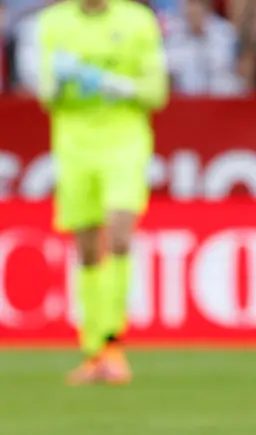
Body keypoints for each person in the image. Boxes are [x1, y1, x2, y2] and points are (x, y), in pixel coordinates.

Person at [34, 0, 169, 385]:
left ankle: (113, 340)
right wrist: (60, 81)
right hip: (75, 145)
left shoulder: (138, 20)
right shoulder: (53, 23)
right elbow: (46, 95)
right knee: (88, 248)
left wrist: (114, 84)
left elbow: (156, 92)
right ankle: (95, 350)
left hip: (124, 140)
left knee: (120, 233)